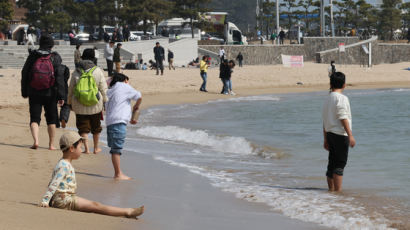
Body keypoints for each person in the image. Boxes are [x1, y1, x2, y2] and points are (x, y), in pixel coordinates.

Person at [39, 131, 144, 218]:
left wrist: (50, 200)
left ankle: (126, 211)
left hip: (64, 198)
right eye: (80, 147)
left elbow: (53, 181)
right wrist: (45, 200)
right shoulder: (64, 165)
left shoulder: (64, 163)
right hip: (64, 200)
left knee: (94, 205)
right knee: (95, 205)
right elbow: (54, 183)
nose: (82, 150)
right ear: (71, 148)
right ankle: (127, 212)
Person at [21, 35, 66, 150]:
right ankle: (51, 144)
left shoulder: (33, 56)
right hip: (51, 92)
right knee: (51, 119)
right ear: (51, 45)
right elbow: (60, 77)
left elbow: (24, 73)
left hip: (34, 91)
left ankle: (36, 141)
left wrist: (24, 91)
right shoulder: (55, 57)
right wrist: (61, 96)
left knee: (34, 118)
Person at [67, 48, 108, 154]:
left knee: (83, 128)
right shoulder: (97, 70)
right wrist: (105, 101)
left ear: (82, 57)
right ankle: (95, 148)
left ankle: (86, 149)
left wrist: (69, 102)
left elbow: (71, 88)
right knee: (96, 127)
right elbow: (103, 88)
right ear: (93, 58)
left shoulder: (76, 71)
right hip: (95, 104)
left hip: (79, 103)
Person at [322, 72, 356, 192]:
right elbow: (343, 117)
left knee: (331, 163)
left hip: (330, 133)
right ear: (344, 85)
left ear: (330, 84)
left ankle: (331, 191)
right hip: (340, 135)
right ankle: (338, 192)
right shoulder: (341, 98)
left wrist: (325, 139)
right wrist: (350, 135)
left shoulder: (327, 99)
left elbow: (325, 121)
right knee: (339, 165)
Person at [106, 73, 142, 180]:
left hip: (110, 122)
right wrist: (136, 106)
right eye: (128, 80)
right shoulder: (124, 86)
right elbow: (139, 96)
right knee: (116, 149)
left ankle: (118, 172)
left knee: (114, 148)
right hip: (119, 122)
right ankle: (118, 174)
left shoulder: (110, 90)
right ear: (125, 80)